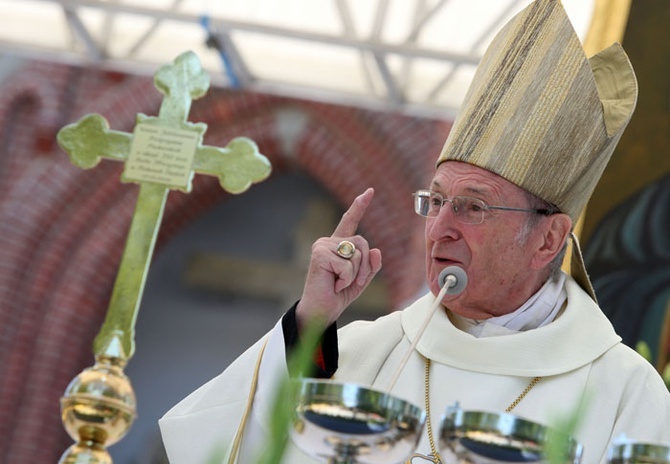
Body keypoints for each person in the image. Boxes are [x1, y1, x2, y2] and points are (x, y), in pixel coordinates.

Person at [159, 0, 670, 462]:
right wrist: (311, 322)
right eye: (437, 200)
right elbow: (224, 442)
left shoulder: (624, 393)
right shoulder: (370, 353)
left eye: (473, 208)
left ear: (548, 240)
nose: (440, 228)